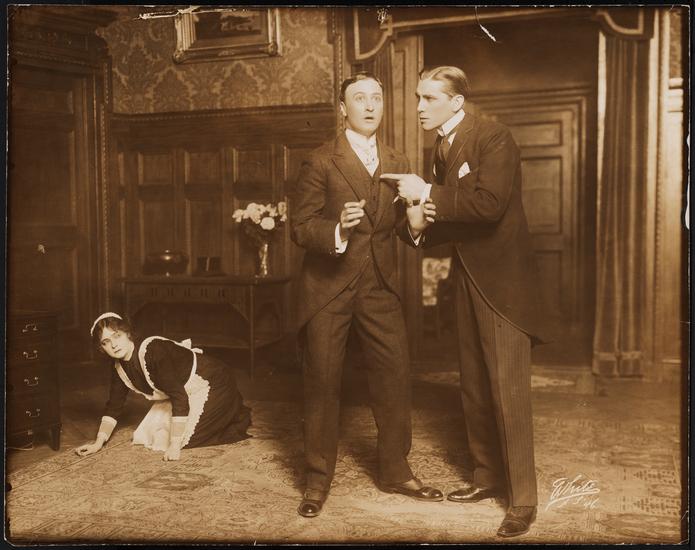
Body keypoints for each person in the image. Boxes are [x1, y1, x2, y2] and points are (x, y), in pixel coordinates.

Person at [383, 66, 550, 538]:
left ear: (456, 102)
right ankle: (486, 477)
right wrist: (415, 226)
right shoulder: (443, 146)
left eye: (430, 98)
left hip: (502, 284)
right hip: (468, 279)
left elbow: (489, 206)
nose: (420, 107)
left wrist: (424, 191)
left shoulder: (493, 137)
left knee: (508, 391)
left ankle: (523, 501)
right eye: (418, 97)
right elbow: (455, 218)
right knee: (475, 385)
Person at [290, 72, 442, 518]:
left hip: (379, 285)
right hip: (328, 287)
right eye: (360, 98)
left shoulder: (398, 159)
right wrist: (338, 228)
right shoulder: (320, 160)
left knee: (394, 375)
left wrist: (417, 222)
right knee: (323, 381)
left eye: (377, 97)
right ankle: (317, 481)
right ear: (343, 108)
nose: (371, 106)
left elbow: (398, 229)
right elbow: (301, 227)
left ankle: (395, 471)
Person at [75, 312, 251, 461]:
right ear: (102, 347)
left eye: (117, 336)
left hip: (213, 381)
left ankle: (232, 409)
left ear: (128, 333)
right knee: (153, 436)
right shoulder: (118, 367)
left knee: (187, 439)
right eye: (106, 342)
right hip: (183, 391)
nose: (114, 345)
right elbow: (114, 405)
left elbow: (178, 396)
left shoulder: (153, 351)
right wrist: (98, 443)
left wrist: (175, 445)